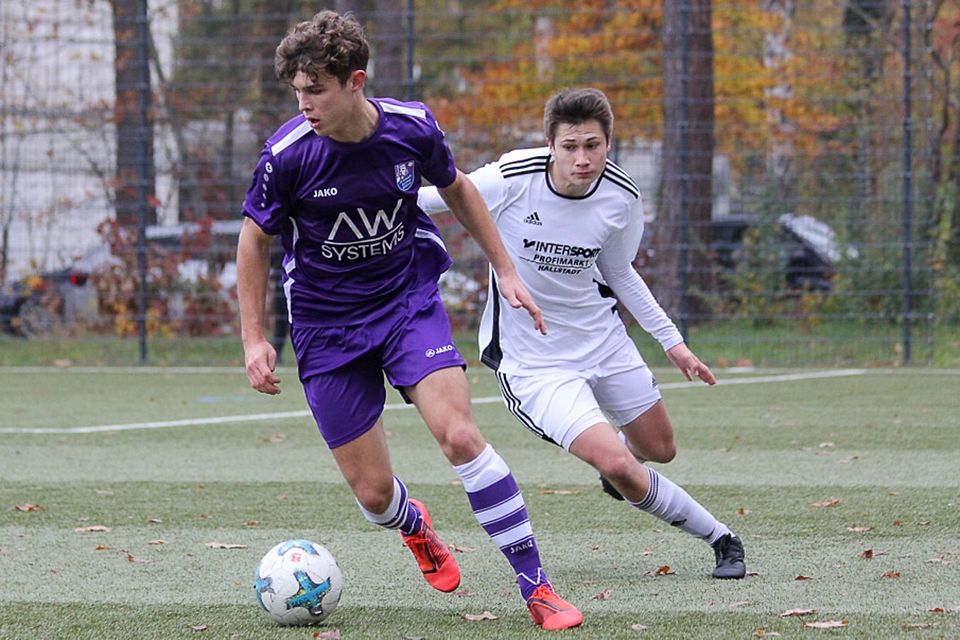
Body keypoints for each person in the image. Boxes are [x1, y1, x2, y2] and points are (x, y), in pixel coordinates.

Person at [236, 10, 583, 631]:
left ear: (355, 81)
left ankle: (537, 587)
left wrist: (505, 268)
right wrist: (255, 338)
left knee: (459, 436)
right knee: (373, 495)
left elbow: (458, 190)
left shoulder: (411, 128)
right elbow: (254, 239)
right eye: (298, 91)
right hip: (326, 326)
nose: (305, 103)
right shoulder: (286, 155)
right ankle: (413, 526)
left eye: (316, 89)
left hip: (406, 304)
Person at [418, 87, 746, 580]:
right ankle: (721, 537)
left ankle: (624, 467)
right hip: (536, 363)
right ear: (549, 144)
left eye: (593, 145)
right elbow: (433, 197)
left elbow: (621, 272)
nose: (583, 158)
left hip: (604, 339)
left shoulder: (622, 195)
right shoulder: (510, 177)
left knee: (660, 449)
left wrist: (672, 343)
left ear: (608, 143)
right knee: (617, 463)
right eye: (570, 146)